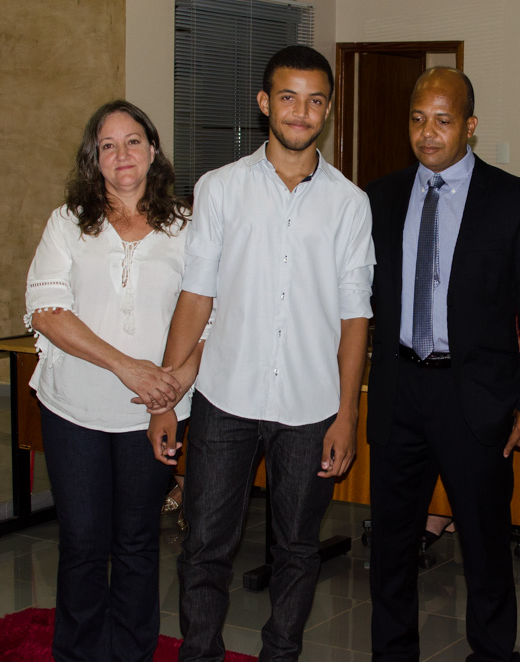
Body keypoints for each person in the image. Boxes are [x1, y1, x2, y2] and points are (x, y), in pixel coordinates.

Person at [147, 45, 375, 661]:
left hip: (310, 407)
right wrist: (166, 399)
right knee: (204, 548)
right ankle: (200, 654)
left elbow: (355, 317)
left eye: (315, 100)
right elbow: (196, 297)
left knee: (297, 550)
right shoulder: (220, 189)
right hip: (226, 398)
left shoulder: (350, 203)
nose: (301, 111)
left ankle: (281, 654)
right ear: (264, 103)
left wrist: (347, 414)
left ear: (328, 110)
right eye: (288, 97)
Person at [365, 67, 520, 662]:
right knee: (391, 549)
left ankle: (493, 654)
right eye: (418, 119)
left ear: (470, 126)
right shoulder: (378, 197)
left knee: (484, 546)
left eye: (443, 120)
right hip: (399, 391)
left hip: (475, 397)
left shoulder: (514, 198)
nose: (428, 133)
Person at [24, 100, 203, 661]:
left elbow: (209, 321)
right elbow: (47, 312)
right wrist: (128, 366)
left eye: (133, 141)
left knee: (137, 542)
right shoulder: (68, 222)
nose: (122, 154)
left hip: (156, 413)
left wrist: (171, 389)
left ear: (153, 150)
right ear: (93, 158)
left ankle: (131, 654)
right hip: (74, 408)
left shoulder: (187, 227)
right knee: (82, 542)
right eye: (108, 145)